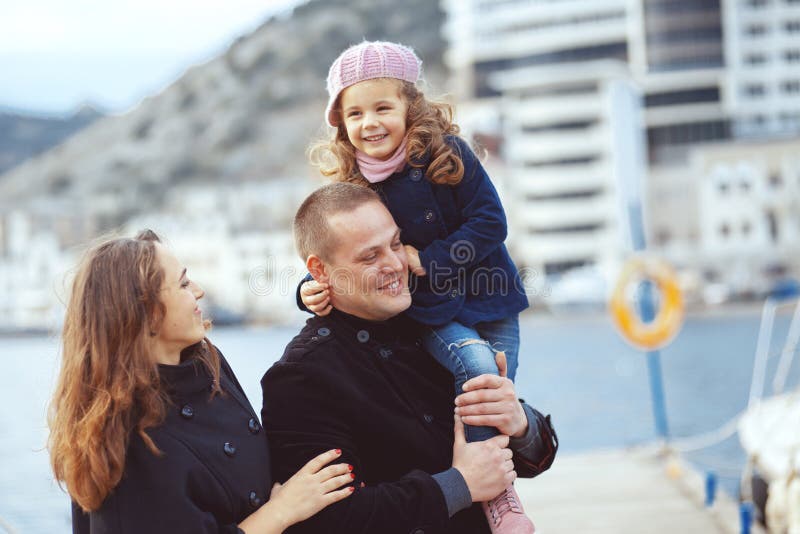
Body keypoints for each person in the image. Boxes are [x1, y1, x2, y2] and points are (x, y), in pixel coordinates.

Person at [299, 40, 532, 532]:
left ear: (410, 107)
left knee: (496, 396)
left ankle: (493, 485)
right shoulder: (356, 184)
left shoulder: (449, 155)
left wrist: (429, 258)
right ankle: (501, 502)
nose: (370, 123)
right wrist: (305, 289)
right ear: (341, 123)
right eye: (355, 113)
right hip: (434, 312)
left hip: (493, 300)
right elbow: (338, 247)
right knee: (479, 370)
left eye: (383, 107)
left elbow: (491, 221)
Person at [262, 183, 557, 534]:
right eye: (370, 257)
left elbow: (530, 458)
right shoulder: (301, 377)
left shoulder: (438, 334)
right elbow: (329, 521)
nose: (395, 264)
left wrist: (518, 422)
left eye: (396, 244)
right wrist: (458, 485)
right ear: (320, 271)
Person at [48, 230, 355, 534]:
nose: (198, 291)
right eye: (182, 283)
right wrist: (281, 511)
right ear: (145, 312)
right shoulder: (128, 444)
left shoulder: (208, 364)